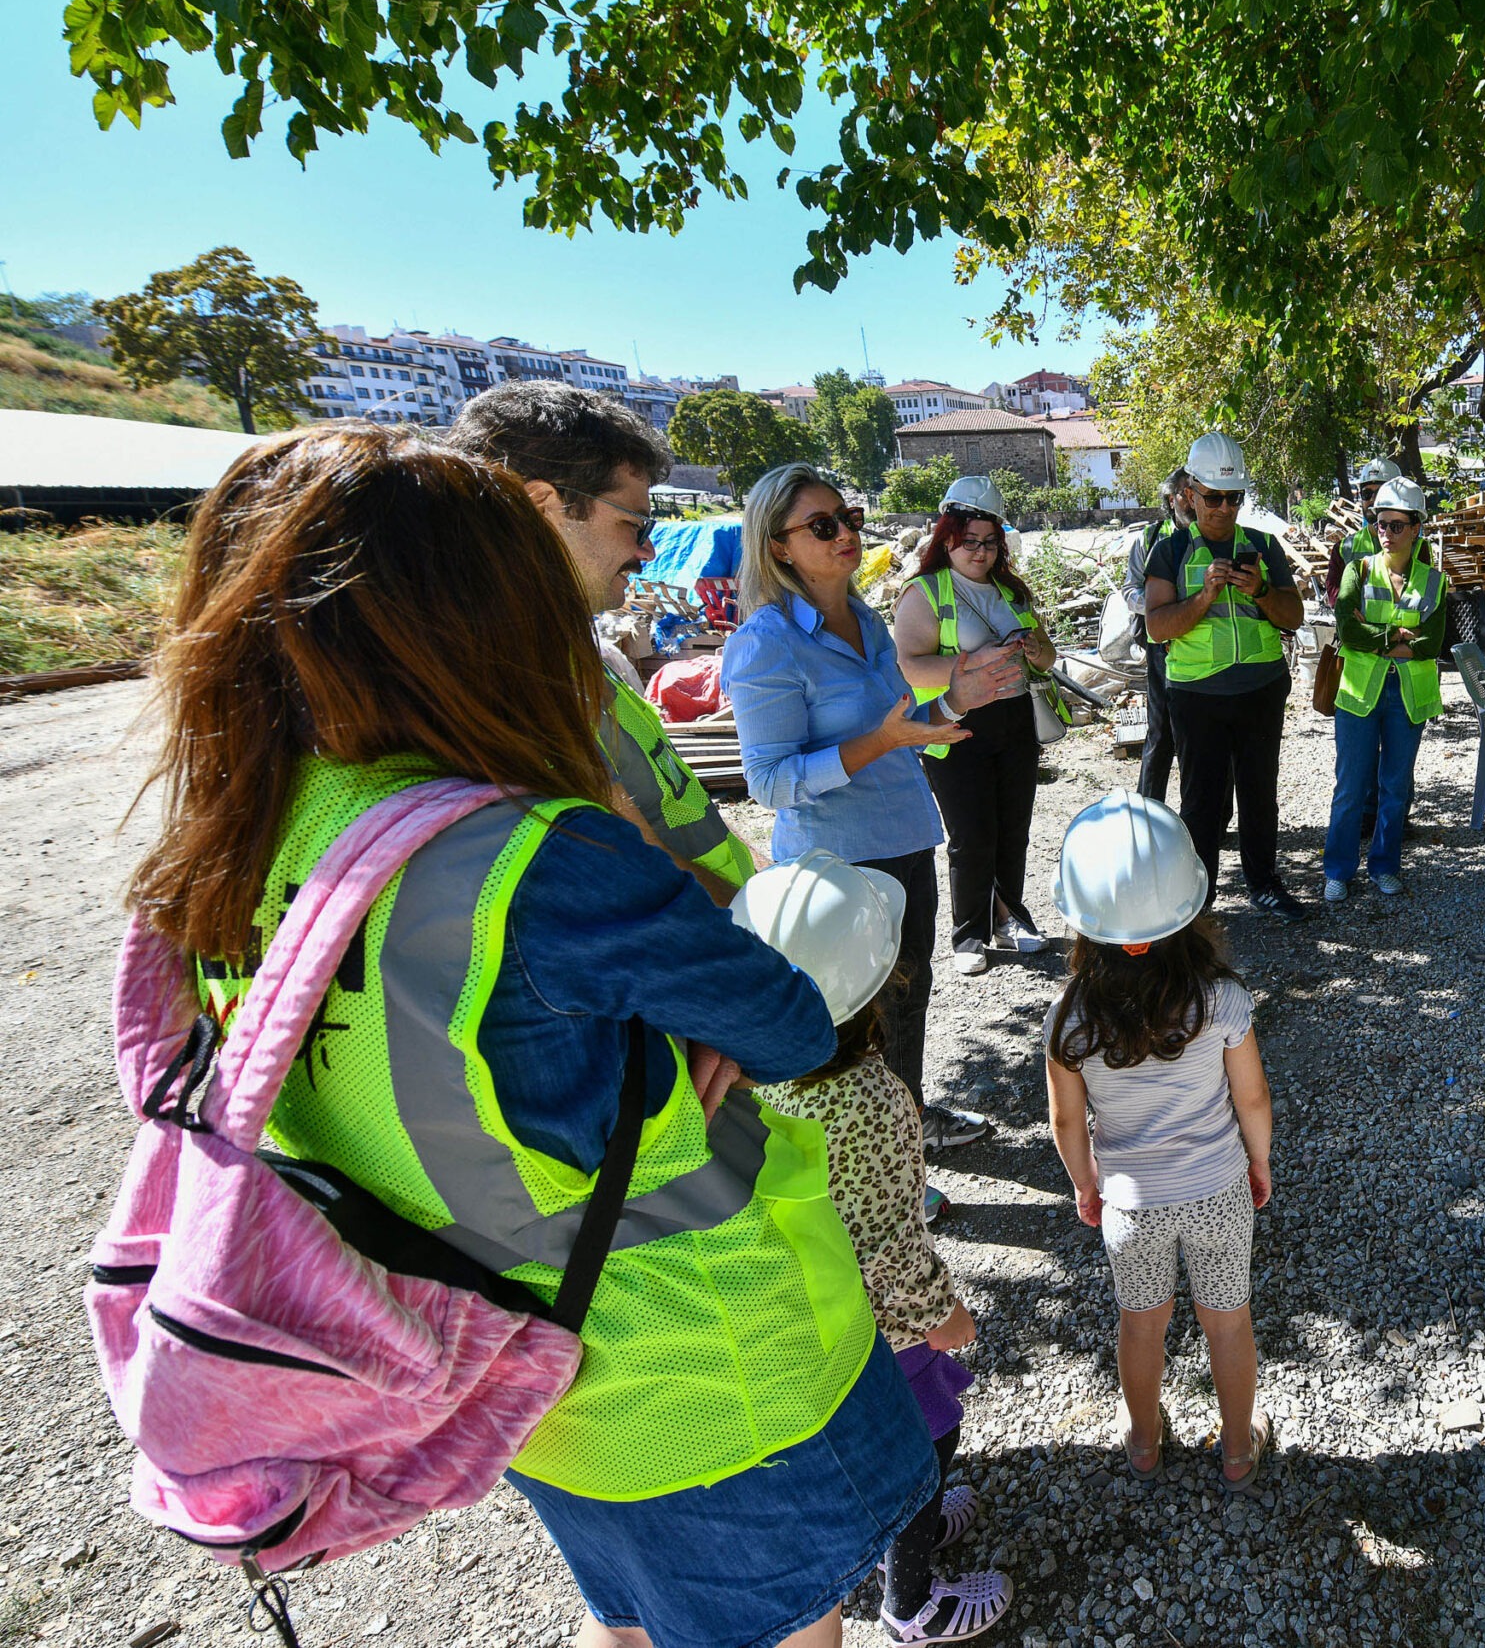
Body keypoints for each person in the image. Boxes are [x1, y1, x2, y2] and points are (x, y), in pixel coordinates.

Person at [136, 425, 933, 1648]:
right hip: (712, 1364)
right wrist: (612, 830)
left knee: (633, 1618)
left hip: (510, 1368)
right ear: (474, 609)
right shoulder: (537, 854)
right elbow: (782, 1020)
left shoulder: (239, 838)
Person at [735, 856, 1012, 1644]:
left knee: (842, 1441)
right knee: (927, 1436)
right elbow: (890, 1239)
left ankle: (889, 1533)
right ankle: (912, 1600)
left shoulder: (746, 1084)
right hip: (881, 1328)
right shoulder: (877, 1098)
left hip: (798, 1318)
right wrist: (943, 1315)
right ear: (876, 988)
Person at [724, 461, 1024, 1166]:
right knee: (857, 1023)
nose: (846, 534)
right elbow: (768, 782)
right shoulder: (767, 642)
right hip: (838, 861)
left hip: (906, 837)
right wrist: (883, 741)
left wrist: (956, 703)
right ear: (777, 545)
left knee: (909, 999)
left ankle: (908, 1120)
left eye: (849, 518)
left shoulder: (863, 615)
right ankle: (875, 1167)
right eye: (822, 526)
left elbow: (901, 720)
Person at [1043, 794, 1278, 1494]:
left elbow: (1064, 1122)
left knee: (1140, 1326)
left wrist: (1086, 1182)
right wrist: (1258, 1160)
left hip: (1132, 1205)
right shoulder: (1221, 999)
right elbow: (1253, 1098)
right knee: (1228, 1323)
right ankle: (1237, 1451)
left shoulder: (1069, 1019)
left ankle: (1143, 1441)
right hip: (1216, 1190)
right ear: (1191, 908)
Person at [448, 381, 759, 897]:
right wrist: (760, 926)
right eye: (634, 524)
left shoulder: (570, 653)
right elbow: (625, 855)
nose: (649, 552)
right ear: (540, 505)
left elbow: (667, 805)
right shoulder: (502, 679)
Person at [894, 475, 1064, 977]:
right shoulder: (924, 593)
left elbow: (1048, 654)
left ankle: (1011, 917)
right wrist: (970, 667)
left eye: (990, 542)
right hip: (955, 726)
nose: (981, 552)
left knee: (1014, 828)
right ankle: (968, 932)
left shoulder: (1011, 591)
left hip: (1014, 722)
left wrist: (1037, 651)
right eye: (970, 541)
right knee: (971, 834)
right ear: (947, 537)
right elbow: (906, 665)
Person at [1143, 433, 1311, 921]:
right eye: (1213, 497)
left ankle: (1265, 884)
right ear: (1190, 493)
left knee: (1260, 793)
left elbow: (1293, 617)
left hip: (1260, 691)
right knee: (1201, 800)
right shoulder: (1169, 551)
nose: (1223, 508)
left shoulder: (1263, 546)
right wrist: (1203, 598)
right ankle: (1201, 897)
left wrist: (1260, 591)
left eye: (1233, 497)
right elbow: (1156, 627)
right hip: (1197, 697)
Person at [1323, 477, 1448, 900]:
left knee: (1396, 786)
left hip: (1407, 698)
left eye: (1397, 525)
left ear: (1417, 528)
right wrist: (1395, 637)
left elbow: (1433, 642)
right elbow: (1347, 628)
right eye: (1381, 523)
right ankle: (1338, 871)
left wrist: (1377, 636)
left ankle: (1384, 866)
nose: (1387, 533)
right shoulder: (1359, 569)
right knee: (1350, 787)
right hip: (1360, 694)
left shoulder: (1435, 582)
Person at [1123, 472, 1192, 803]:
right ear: (1170, 500)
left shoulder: (1215, 538)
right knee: (1161, 731)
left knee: (1203, 735)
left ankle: (1211, 822)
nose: (1192, 501)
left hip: (1205, 649)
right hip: (1162, 648)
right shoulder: (1149, 539)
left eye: (1199, 493)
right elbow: (1129, 590)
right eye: (1185, 494)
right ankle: (1147, 811)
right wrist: (1161, 606)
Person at [1323, 457, 1396, 606]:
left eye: (1380, 493)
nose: (1373, 500)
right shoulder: (1342, 550)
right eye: (1366, 494)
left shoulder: (1418, 548)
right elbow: (1336, 599)